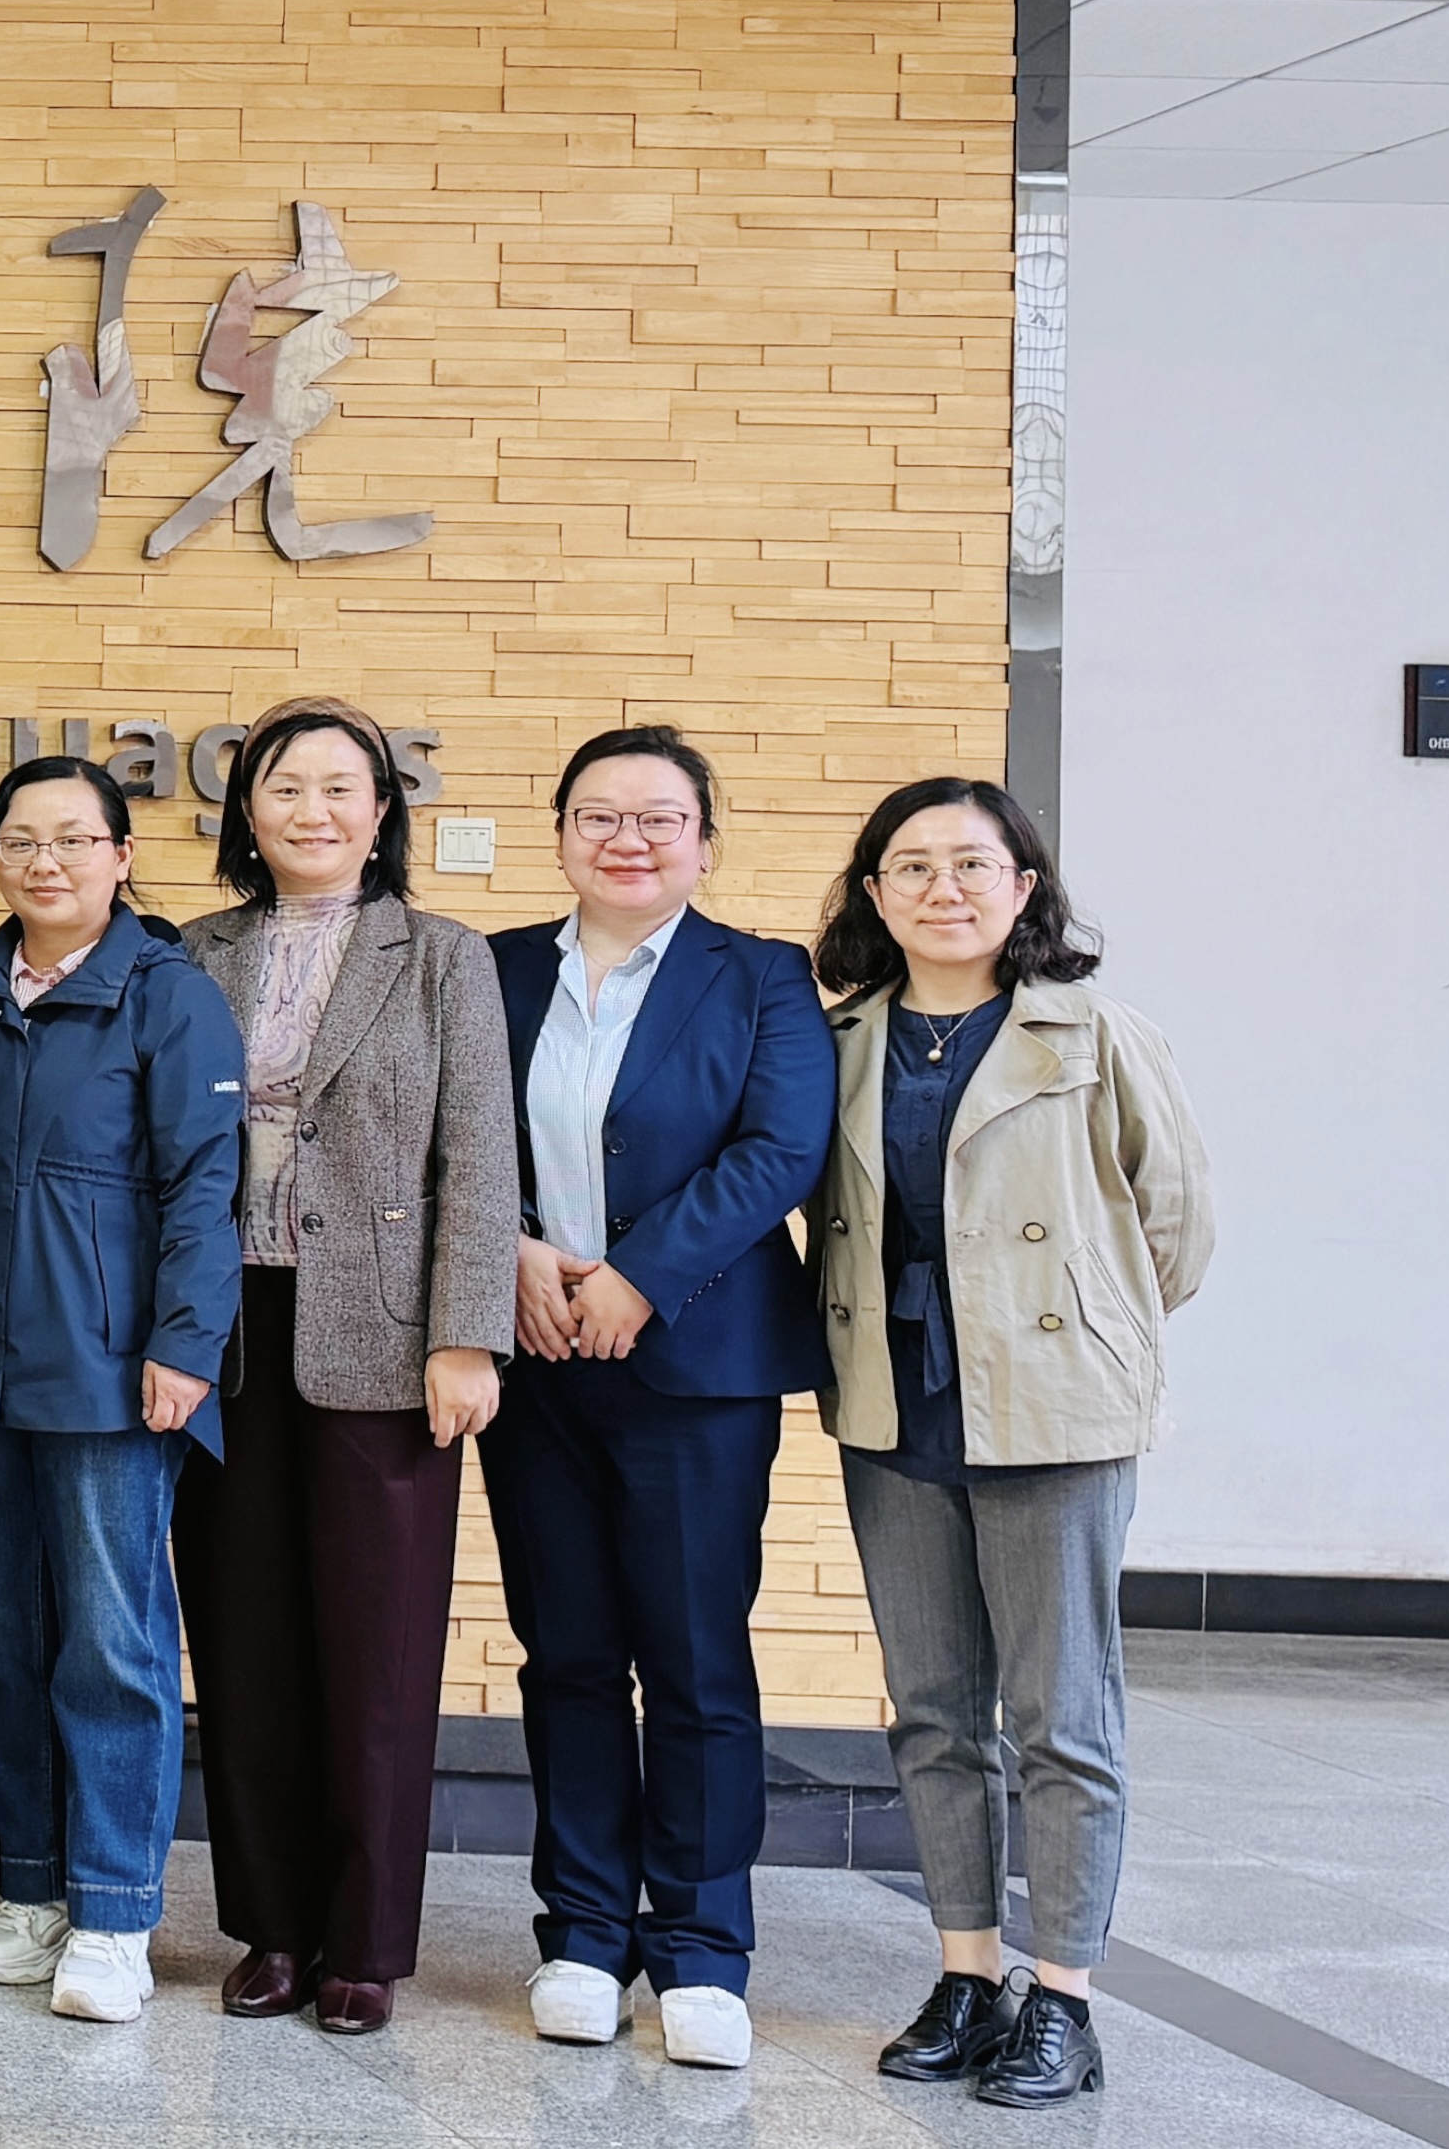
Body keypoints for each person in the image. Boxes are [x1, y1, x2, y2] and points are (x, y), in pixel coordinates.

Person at [812, 776, 1213, 2114]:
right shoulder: (841, 1038)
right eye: (912, 865)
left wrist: (1082, 1328)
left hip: (1051, 1406)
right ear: (874, 894)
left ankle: (1064, 1997)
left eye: (973, 862)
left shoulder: (1095, 1032)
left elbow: (1176, 1228)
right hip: (896, 1401)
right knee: (934, 1707)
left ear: (1024, 884)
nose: (945, 887)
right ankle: (966, 1974)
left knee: (1061, 1714)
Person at [481, 724, 836, 2072]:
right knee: (567, 1650)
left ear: (703, 838)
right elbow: (453, 1130)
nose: (627, 839)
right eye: (599, 815)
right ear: (561, 831)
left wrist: (643, 1273)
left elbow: (780, 1148)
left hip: (695, 1365)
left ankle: (700, 1944)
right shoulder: (496, 967)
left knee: (692, 1655)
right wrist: (513, 1244)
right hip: (537, 1357)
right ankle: (581, 1931)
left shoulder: (761, 974)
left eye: (658, 817)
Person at [170, 695, 516, 2037]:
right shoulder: (191, 950)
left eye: (337, 787)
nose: (310, 809)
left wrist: (464, 1333)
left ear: (380, 813)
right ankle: (273, 1925)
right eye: (282, 786)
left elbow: (477, 1157)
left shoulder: (443, 958)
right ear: (245, 813)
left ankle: (364, 1942)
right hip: (223, 1330)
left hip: (382, 1333)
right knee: (243, 1637)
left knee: (376, 1650)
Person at [0, 753, 241, 2025]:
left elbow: (206, 1180)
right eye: (20, 840)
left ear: (121, 856)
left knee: (113, 1641)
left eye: (73, 838)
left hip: (112, 1370)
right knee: (10, 1631)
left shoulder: (168, 994)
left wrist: (186, 1343)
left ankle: (115, 1911)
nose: (44, 861)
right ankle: (32, 1889)